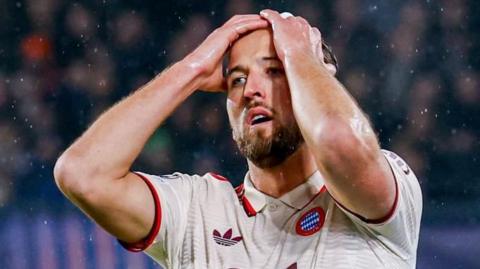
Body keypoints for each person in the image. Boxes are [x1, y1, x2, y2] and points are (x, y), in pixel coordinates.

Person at [54, 10, 422, 269]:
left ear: (317, 82)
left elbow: (338, 139)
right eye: (238, 79)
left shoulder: (380, 191)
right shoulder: (197, 213)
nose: (251, 92)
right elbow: (82, 175)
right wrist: (192, 69)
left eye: (275, 70)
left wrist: (300, 54)